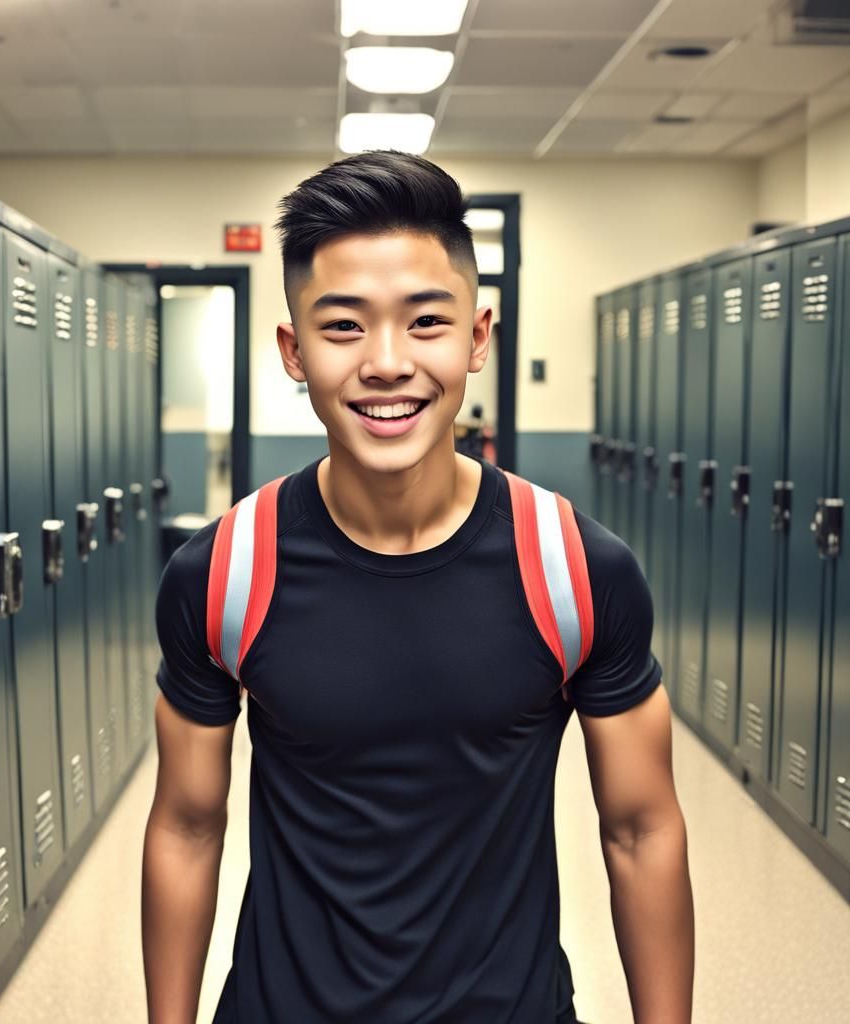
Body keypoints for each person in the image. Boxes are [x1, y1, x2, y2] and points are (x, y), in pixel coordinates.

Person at [141, 151, 694, 1024]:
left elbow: (641, 829)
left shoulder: (573, 568)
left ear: (478, 337)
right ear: (294, 351)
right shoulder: (224, 573)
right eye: (344, 326)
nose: (388, 363)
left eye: (426, 322)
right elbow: (185, 825)